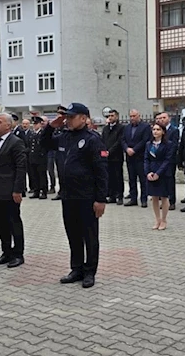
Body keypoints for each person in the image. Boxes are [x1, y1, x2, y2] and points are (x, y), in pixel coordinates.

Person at [41, 103, 108, 289]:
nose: (68, 120)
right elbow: (44, 144)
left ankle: (89, 271)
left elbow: (102, 171)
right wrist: (51, 126)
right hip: (68, 196)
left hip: (87, 197)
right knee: (73, 234)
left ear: (84, 118)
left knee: (90, 236)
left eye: (72, 117)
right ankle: (76, 268)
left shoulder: (93, 139)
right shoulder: (64, 137)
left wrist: (101, 199)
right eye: (67, 117)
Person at [0, 112, 27, 268]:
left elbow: (21, 167)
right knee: (0, 223)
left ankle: (18, 254)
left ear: (8, 125)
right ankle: (6, 252)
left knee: (13, 222)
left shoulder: (16, 142)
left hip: (11, 191)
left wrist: (18, 190)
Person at [145, 122, 176, 230]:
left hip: (163, 173)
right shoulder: (149, 144)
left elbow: (167, 160)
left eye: (158, 129)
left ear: (163, 132)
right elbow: (146, 159)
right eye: (154, 129)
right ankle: (157, 219)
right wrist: (148, 172)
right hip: (152, 172)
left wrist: (158, 173)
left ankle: (164, 220)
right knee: (154, 197)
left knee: (163, 197)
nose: (155, 131)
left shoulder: (169, 144)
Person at [122, 109, 151, 208]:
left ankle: (144, 199)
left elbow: (145, 140)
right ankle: (133, 198)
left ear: (139, 116)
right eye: (131, 116)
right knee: (131, 179)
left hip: (140, 156)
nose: (132, 118)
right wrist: (126, 148)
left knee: (143, 179)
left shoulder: (145, 127)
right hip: (130, 157)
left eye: (134, 116)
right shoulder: (127, 127)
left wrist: (134, 149)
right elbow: (123, 140)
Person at [155, 112, 179, 211]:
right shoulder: (158, 130)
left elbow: (174, 146)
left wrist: (166, 156)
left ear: (169, 118)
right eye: (160, 118)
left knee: (170, 180)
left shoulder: (174, 130)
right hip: (159, 160)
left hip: (170, 160)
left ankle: (172, 201)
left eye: (164, 118)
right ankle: (164, 200)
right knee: (162, 181)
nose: (162, 120)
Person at [101, 109, 125, 205]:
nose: (110, 117)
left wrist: (109, 151)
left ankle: (119, 196)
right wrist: (103, 152)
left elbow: (119, 142)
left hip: (116, 156)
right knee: (109, 177)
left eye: (112, 115)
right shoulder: (105, 129)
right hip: (106, 157)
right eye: (109, 116)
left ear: (117, 117)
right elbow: (102, 141)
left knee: (118, 176)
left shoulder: (121, 128)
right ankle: (112, 196)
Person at [28, 116, 48, 199]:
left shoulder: (43, 133)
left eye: (36, 124)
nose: (34, 125)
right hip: (33, 157)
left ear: (40, 124)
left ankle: (43, 191)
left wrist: (43, 154)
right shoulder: (32, 133)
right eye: (34, 124)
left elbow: (45, 146)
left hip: (41, 158)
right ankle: (36, 191)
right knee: (34, 175)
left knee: (42, 175)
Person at [52, 105, 68, 201]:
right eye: (58, 114)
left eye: (61, 114)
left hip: (66, 153)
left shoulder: (66, 126)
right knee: (60, 173)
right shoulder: (57, 126)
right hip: (58, 152)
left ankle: (65, 191)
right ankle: (61, 191)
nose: (59, 116)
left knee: (65, 173)